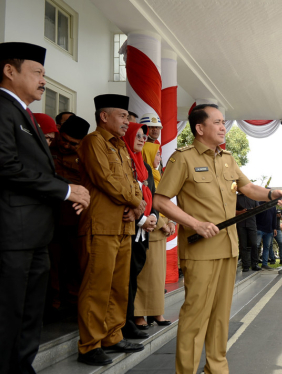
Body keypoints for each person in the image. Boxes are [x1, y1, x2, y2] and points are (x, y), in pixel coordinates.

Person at [152, 103, 282, 374]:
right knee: (195, 317)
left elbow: (248, 187)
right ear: (199, 128)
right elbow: (160, 200)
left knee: (220, 317)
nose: (223, 127)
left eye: (223, 122)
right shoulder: (183, 158)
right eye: (216, 122)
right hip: (200, 250)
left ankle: (216, 369)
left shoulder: (227, 158)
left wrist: (273, 193)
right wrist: (195, 224)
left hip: (228, 249)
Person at [0, 41, 90, 374]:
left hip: (35, 234)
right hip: (13, 234)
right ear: (10, 71)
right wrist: (66, 190)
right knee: (8, 313)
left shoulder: (25, 115)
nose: (43, 80)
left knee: (28, 313)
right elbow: (6, 166)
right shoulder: (2, 108)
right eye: (37, 72)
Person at [76, 94, 146, 366]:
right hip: (101, 226)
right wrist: (136, 202)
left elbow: (134, 181)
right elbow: (106, 180)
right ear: (104, 117)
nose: (126, 121)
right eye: (122, 115)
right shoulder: (93, 142)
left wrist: (136, 206)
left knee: (118, 287)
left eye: (127, 116)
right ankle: (89, 345)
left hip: (123, 225)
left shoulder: (120, 147)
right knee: (97, 287)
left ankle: (112, 336)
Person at [47, 115, 90, 315]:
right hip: (48, 218)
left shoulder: (86, 153)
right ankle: (52, 305)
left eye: (73, 144)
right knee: (51, 263)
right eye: (63, 139)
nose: (65, 145)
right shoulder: (46, 146)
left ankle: (72, 303)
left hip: (75, 219)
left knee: (74, 262)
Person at [121, 123, 158, 340]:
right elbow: (124, 195)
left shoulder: (142, 165)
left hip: (143, 229)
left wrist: (152, 216)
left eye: (144, 136)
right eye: (137, 135)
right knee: (125, 280)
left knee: (132, 277)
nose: (143, 139)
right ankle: (125, 323)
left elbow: (151, 193)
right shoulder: (125, 162)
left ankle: (126, 321)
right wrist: (143, 218)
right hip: (129, 227)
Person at [135, 142, 175, 328]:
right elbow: (148, 202)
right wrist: (161, 223)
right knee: (145, 275)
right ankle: (140, 315)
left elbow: (166, 201)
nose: (160, 157)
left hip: (161, 231)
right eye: (157, 154)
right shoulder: (143, 174)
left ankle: (156, 312)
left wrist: (172, 222)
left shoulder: (157, 175)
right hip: (149, 229)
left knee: (158, 276)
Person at [236, 190, 261, 272]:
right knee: (243, 245)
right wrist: (240, 212)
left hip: (252, 223)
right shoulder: (236, 197)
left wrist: (253, 210)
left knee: (254, 244)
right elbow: (231, 211)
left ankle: (255, 264)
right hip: (241, 224)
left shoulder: (253, 197)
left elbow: (258, 209)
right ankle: (245, 265)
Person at [256, 203, 277, 269]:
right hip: (259, 229)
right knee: (256, 246)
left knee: (267, 247)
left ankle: (264, 264)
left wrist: (274, 228)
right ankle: (254, 263)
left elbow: (274, 218)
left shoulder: (273, 206)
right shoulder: (259, 204)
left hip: (269, 230)